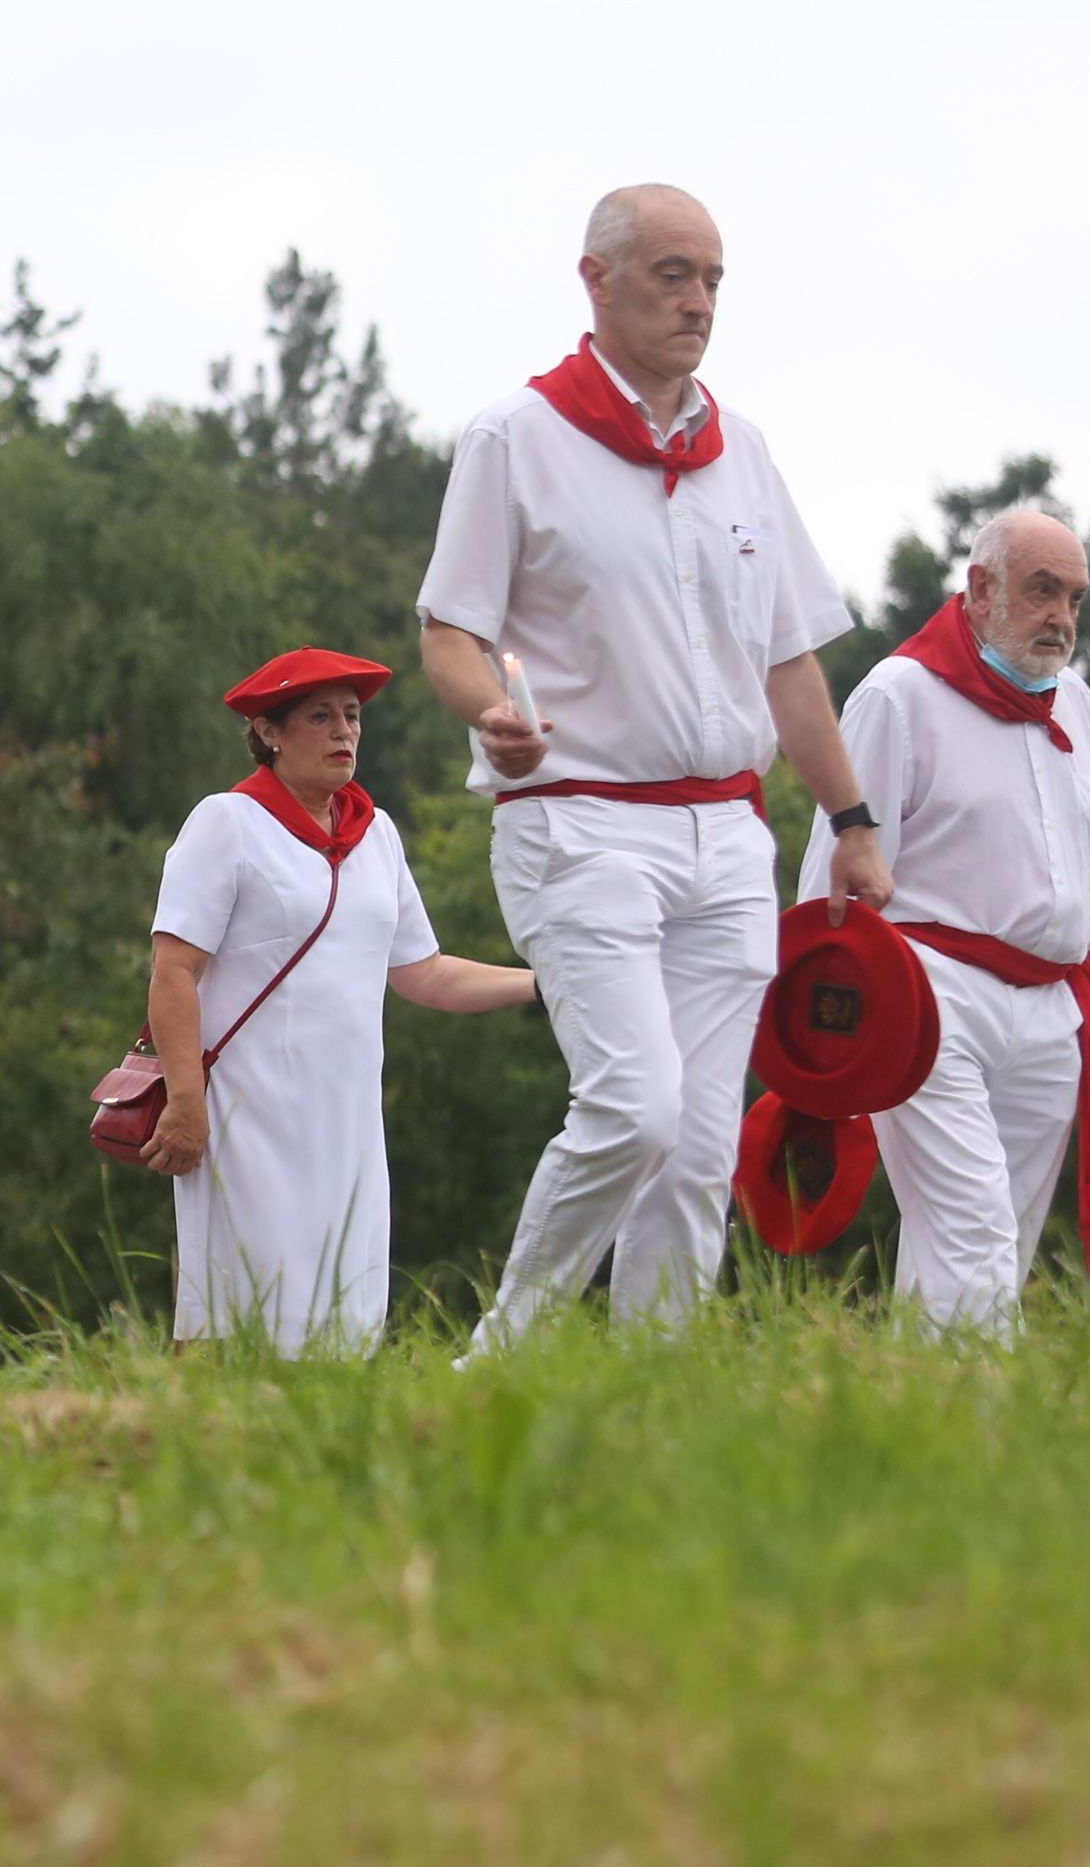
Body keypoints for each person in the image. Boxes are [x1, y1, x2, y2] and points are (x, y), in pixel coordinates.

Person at [416, 183, 892, 1345]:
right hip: (579, 823)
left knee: (697, 1147)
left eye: (712, 279)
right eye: (672, 274)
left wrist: (852, 822)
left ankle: (652, 1382)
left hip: (727, 836)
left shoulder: (745, 453)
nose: (698, 301)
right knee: (635, 1109)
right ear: (596, 280)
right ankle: (505, 1359)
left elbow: (788, 664)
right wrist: (491, 712)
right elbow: (447, 635)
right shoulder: (514, 437)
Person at [794, 508, 1090, 1330]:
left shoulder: (1077, 705)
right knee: (971, 1228)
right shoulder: (899, 695)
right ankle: (974, 1396)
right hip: (929, 999)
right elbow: (832, 879)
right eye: (1043, 591)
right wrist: (823, 1037)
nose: (1062, 618)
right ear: (981, 589)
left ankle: (924, 1394)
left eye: (1075, 599)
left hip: (1050, 1010)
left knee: (996, 1244)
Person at [142, 651, 540, 1353]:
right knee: (240, 1311)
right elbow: (174, 970)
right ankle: (186, 1416)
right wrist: (184, 1101)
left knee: (342, 1315)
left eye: (352, 716)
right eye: (319, 716)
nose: (343, 731)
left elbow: (425, 974)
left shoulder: (376, 834)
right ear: (269, 732)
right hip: (245, 1113)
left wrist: (545, 981)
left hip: (347, 1118)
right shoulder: (227, 822)